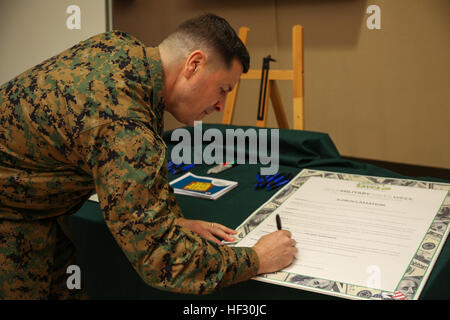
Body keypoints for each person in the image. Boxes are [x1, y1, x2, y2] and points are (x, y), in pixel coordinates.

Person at [0, 13, 297, 299]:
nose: (221, 105)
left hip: (43, 201)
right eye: (222, 89)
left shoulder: (119, 47)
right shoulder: (124, 124)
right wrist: (257, 259)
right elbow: (162, 259)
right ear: (194, 64)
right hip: (14, 210)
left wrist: (170, 221)